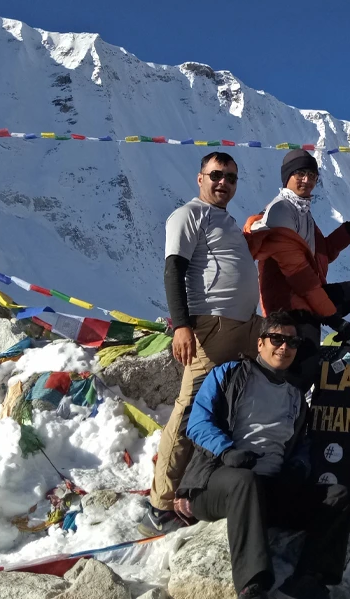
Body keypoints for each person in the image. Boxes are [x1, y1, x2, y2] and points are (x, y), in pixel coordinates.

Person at [174, 311, 350, 599]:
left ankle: (310, 578)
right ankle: (253, 584)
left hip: (269, 490)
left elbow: (302, 444)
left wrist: (298, 466)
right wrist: (227, 451)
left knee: (337, 495)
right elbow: (197, 423)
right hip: (218, 483)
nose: (284, 347)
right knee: (245, 481)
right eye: (276, 339)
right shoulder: (228, 374)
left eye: (292, 342)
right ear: (260, 343)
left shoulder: (295, 396)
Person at [142, 151, 263, 536]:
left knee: (235, 406)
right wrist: (181, 325)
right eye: (216, 175)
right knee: (192, 407)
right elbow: (173, 270)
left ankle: (205, 485)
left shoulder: (225, 220)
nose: (223, 182)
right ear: (200, 178)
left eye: (231, 177)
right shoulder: (188, 215)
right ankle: (161, 503)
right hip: (212, 326)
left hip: (246, 326)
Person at [244, 149, 350, 377]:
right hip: (289, 307)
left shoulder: (303, 212)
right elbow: (301, 276)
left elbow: (323, 253)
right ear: (287, 177)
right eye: (300, 173)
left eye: (312, 175)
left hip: (309, 297)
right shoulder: (280, 211)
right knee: (302, 372)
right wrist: (334, 319)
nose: (307, 180)